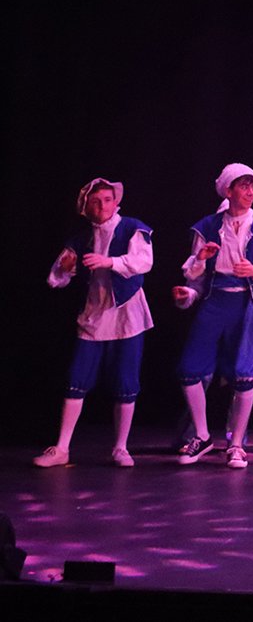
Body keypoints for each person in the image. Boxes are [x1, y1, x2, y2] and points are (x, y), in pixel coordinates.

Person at [33, 178, 153, 468]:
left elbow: (143, 262)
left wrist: (109, 262)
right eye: (96, 202)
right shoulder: (81, 238)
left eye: (108, 200)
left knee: (126, 381)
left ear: (116, 202)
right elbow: (56, 279)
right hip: (94, 314)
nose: (103, 206)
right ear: (86, 207)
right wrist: (65, 268)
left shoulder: (132, 228)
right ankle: (62, 448)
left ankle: (121, 448)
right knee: (77, 378)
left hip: (126, 314)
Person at [173, 163, 253, 469]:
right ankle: (202, 435)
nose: (250, 192)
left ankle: (236, 444)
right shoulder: (207, 227)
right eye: (243, 186)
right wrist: (198, 265)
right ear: (228, 190)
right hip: (215, 301)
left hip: (247, 304)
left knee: (244, 375)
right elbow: (194, 275)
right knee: (189, 369)